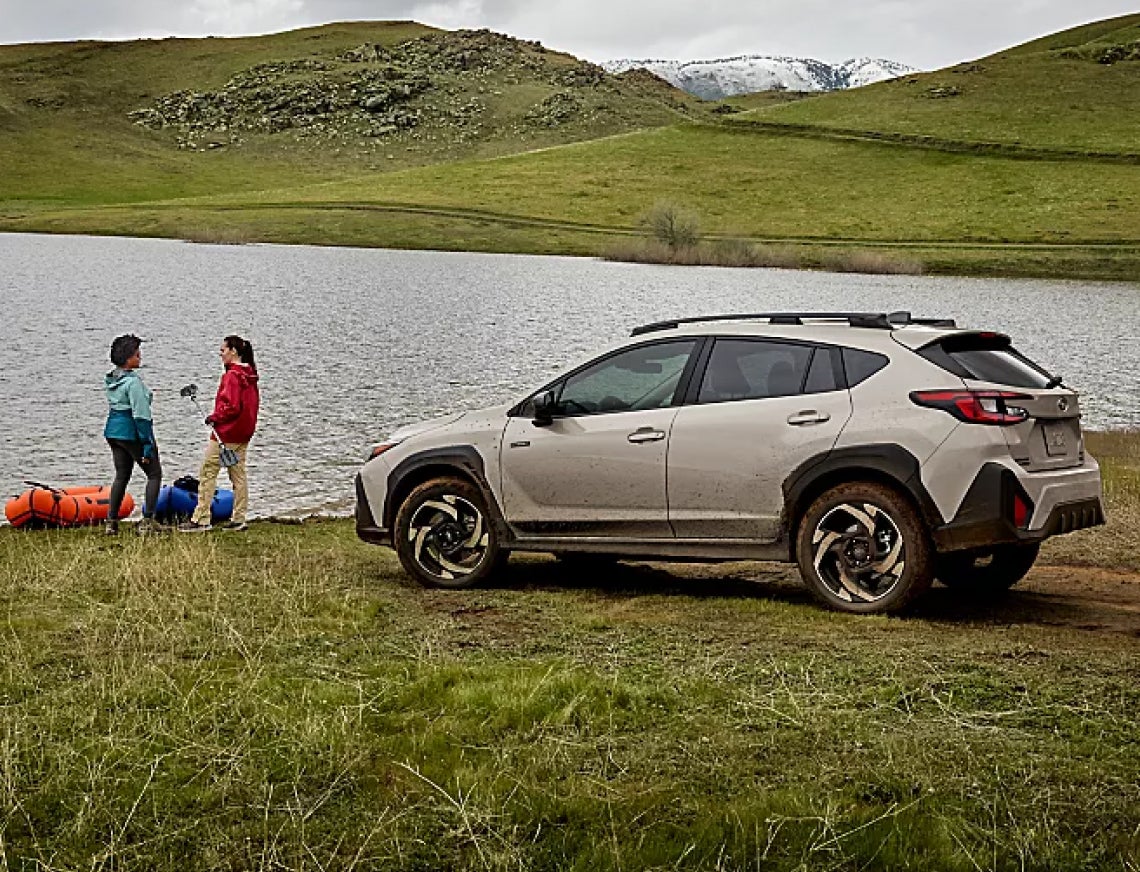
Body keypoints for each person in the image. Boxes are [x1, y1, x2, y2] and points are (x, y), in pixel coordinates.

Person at [180, 335, 260, 532]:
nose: (220, 353)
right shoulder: (249, 374)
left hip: (227, 433)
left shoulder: (232, 376)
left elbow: (232, 407)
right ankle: (239, 518)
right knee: (238, 474)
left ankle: (201, 519)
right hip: (243, 433)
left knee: (207, 472)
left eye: (223, 350)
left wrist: (215, 417)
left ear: (233, 351)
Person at [103, 334, 163, 535]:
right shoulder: (133, 383)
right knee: (154, 474)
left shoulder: (112, 379)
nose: (140, 356)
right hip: (131, 433)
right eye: (137, 353)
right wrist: (147, 443)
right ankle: (148, 521)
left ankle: (111, 522)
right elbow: (141, 415)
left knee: (122, 475)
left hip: (113, 431)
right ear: (129, 358)